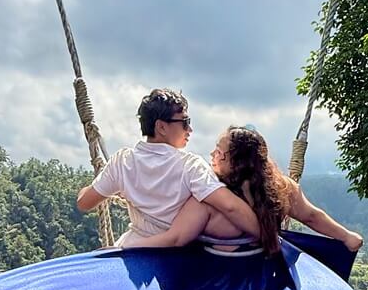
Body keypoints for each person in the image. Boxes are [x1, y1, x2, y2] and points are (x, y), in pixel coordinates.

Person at [127, 124, 364, 257]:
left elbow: (176, 238)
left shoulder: (209, 198)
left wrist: (124, 248)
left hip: (215, 282)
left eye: (218, 152)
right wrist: (346, 236)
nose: (212, 155)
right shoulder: (282, 188)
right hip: (269, 273)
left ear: (236, 162)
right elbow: (311, 216)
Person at [76, 89, 261, 247]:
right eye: (185, 122)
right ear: (161, 127)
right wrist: (267, 237)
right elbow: (230, 207)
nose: (190, 130)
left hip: (134, 249)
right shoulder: (191, 167)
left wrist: (108, 185)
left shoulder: (122, 162)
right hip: (175, 254)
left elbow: (84, 202)